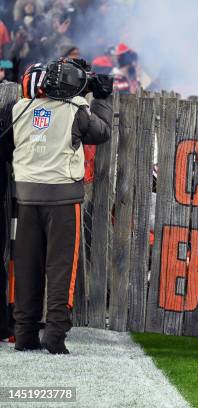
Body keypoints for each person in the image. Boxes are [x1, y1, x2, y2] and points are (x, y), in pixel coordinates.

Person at [0, 59, 113, 354]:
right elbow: (101, 133)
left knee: (26, 268)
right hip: (62, 200)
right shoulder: (75, 108)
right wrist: (101, 99)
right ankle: (54, 336)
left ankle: (24, 335)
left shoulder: (18, 109)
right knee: (62, 270)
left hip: (25, 199)